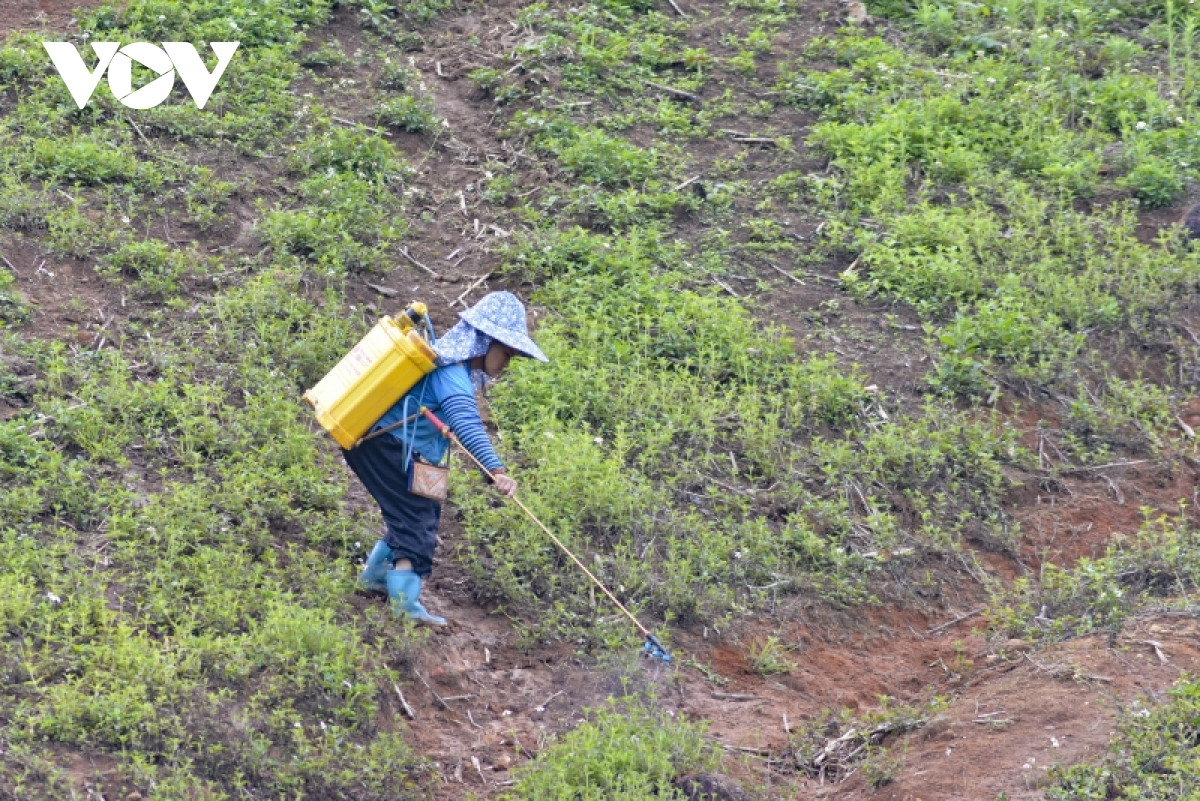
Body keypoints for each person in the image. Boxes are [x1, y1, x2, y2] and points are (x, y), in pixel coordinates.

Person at [342, 291, 548, 625]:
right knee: (416, 518)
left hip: (396, 447)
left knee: (420, 509)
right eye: (507, 353)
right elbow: (465, 422)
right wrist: (496, 470)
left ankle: (376, 577)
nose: (507, 363)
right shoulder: (451, 372)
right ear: (486, 341)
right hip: (386, 444)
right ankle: (405, 605)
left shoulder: (452, 368)